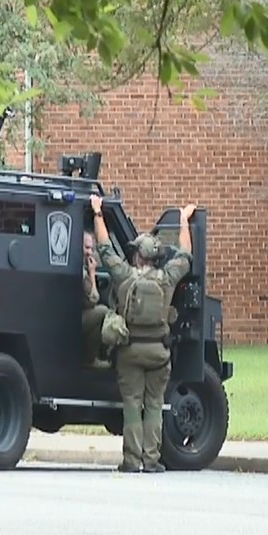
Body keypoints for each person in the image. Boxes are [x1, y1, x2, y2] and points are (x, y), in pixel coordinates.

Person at [89, 195, 197, 473]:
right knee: (154, 405)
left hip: (130, 352)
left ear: (138, 256)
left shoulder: (125, 276)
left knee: (132, 405)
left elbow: (105, 249)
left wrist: (98, 213)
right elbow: (185, 254)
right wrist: (184, 221)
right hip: (159, 353)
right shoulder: (168, 277)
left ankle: (131, 460)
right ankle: (151, 460)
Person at [80, 231, 110, 368]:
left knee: (96, 319)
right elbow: (93, 299)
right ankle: (90, 360)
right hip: (73, 319)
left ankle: (89, 357)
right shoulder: (82, 273)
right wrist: (92, 273)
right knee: (103, 311)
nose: (90, 252)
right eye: (87, 248)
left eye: (92, 248)